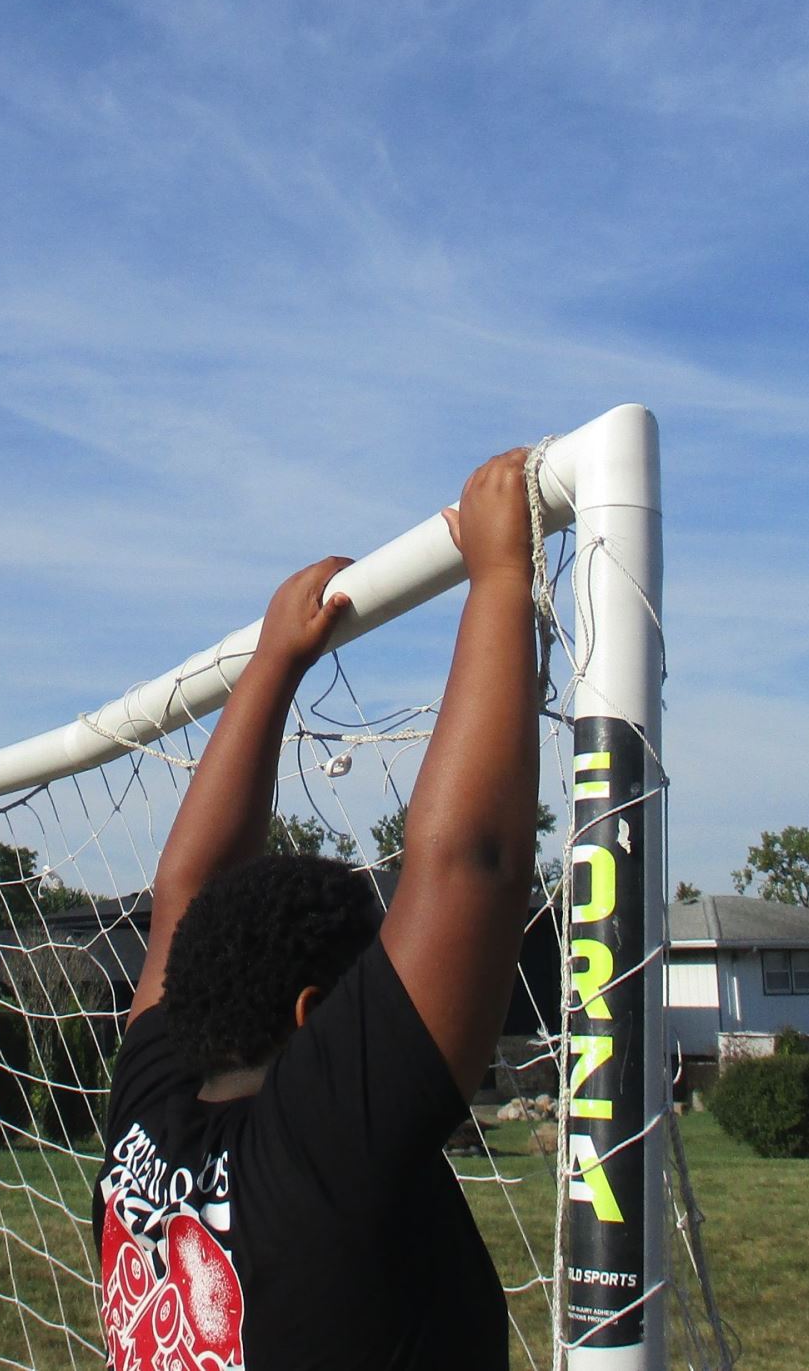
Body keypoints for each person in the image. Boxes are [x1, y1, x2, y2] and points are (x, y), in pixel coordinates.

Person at [93, 449, 543, 1371]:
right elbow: (470, 863)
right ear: (313, 1013)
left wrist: (274, 660)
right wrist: (500, 576)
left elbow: (186, 896)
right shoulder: (324, 1152)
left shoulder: (147, 1122)